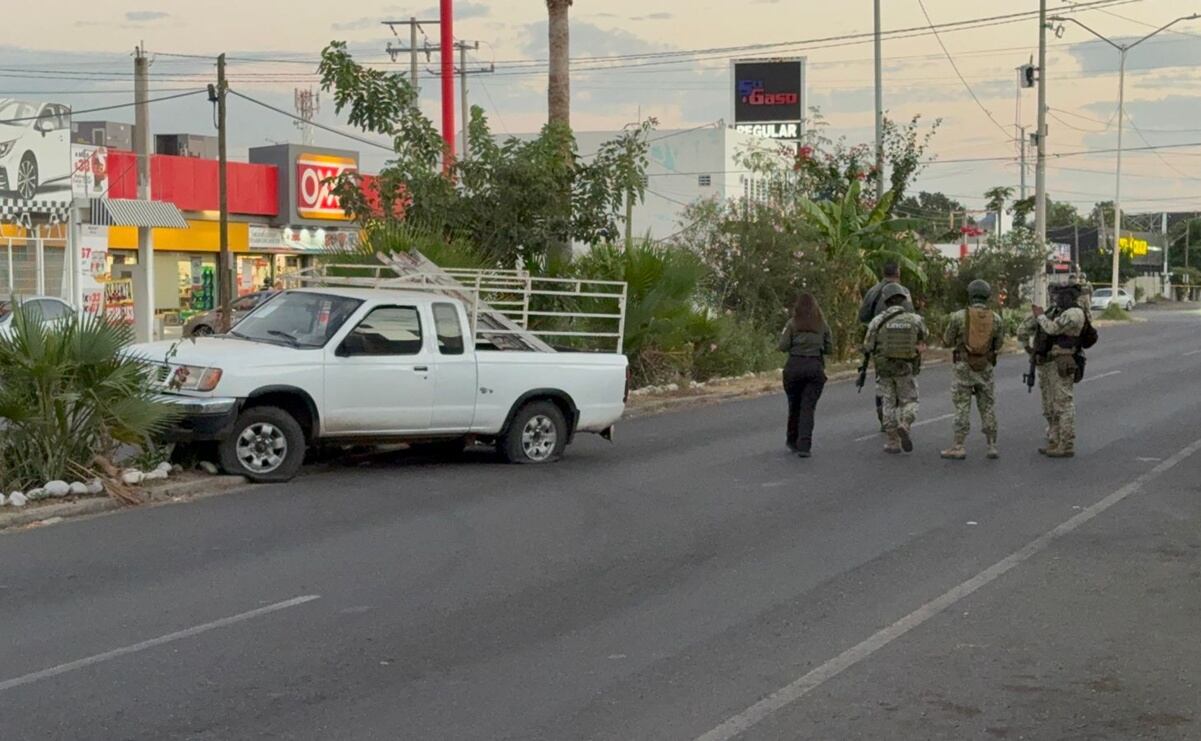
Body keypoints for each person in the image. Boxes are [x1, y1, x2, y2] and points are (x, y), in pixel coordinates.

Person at [1017, 281, 1088, 458]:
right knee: (1050, 405)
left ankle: (1066, 443)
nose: (1056, 299)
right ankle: (1055, 440)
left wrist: (1040, 316)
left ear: (1069, 297)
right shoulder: (1056, 311)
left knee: (1063, 404)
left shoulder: (1074, 313)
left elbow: (1053, 329)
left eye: (1059, 296)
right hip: (1049, 363)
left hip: (1062, 361)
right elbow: (1025, 328)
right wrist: (1030, 349)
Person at [940, 279, 1005, 460]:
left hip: (963, 366)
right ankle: (992, 445)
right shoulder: (996, 318)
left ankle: (958, 446)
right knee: (987, 406)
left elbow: (947, 341)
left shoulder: (959, 317)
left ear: (970, 295)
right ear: (987, 296)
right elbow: (999, 344)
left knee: (962, 406)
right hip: (985, 367)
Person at [863, 283, 927, 454]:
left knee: (888, 403)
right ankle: (905, 423)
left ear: (886, 300)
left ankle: (893, 441)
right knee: (910, 400)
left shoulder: (877, 321)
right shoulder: (915, 319)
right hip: (905, 367)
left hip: (884, 368)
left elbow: (867, 345)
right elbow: (924, 336)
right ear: (903, 300)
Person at [777, 292, 834, 458]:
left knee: (794, 405)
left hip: (794, 367)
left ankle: (792, 440)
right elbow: (829, 348)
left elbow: (783, 346)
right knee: (808, 407)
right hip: (814, 367)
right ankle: (804, 445)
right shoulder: (822, 325)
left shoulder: (792, 324)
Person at [859, 263, 914, 430]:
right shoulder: (905, 292)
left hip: (881, 347)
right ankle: (903, 419)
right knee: (904, 382)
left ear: (883, 273)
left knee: (883, 381)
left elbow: (863, 317)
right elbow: (912, 317)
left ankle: (885, 416)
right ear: (898, 273)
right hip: (905, 346)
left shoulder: (873, 292)